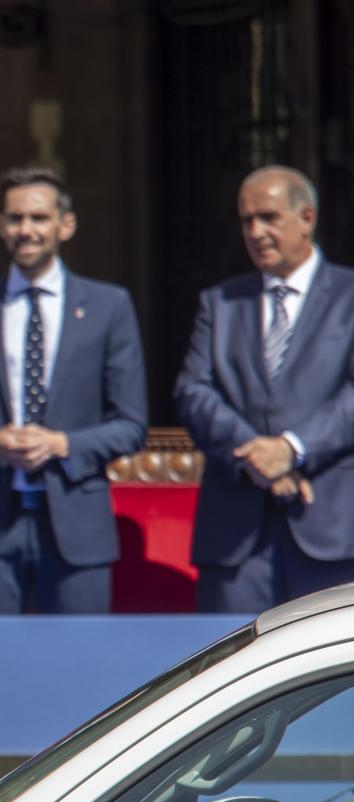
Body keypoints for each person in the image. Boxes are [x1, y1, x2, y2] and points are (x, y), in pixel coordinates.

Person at [0, 166, 147, 614]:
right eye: (15, 218)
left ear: (65, 225)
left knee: (81, 671)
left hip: (77, 529)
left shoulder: (108, 307)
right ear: (0, 226)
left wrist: (62, 444)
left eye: (38, 218)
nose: (26, 230)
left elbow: (131, 424)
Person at [175, 165, 354, 612]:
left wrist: (293, 448)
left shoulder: (349, 295)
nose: (256, 231)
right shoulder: (220, 303)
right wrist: (256, 453)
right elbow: (193, 391)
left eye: (269, 217)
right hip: (237, 539)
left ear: (307, 218)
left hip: (329, 530)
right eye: (246, 220)